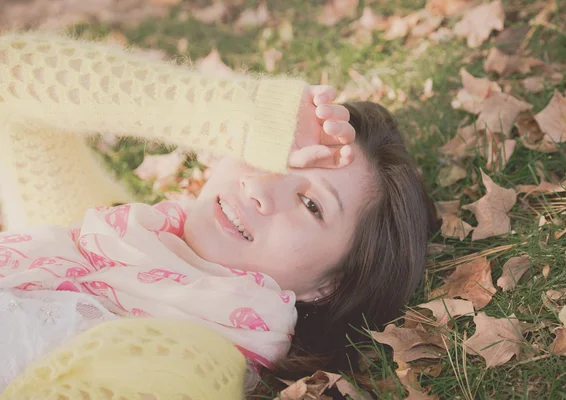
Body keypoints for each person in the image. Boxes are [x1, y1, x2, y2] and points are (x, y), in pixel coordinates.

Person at [0, 31, 436, 399]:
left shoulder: (197, 356)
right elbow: (11, 75)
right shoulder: (94, 232)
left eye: (311, 203)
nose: (260, 189)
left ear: (328, 287)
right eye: (272, 157)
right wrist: (241, 116)